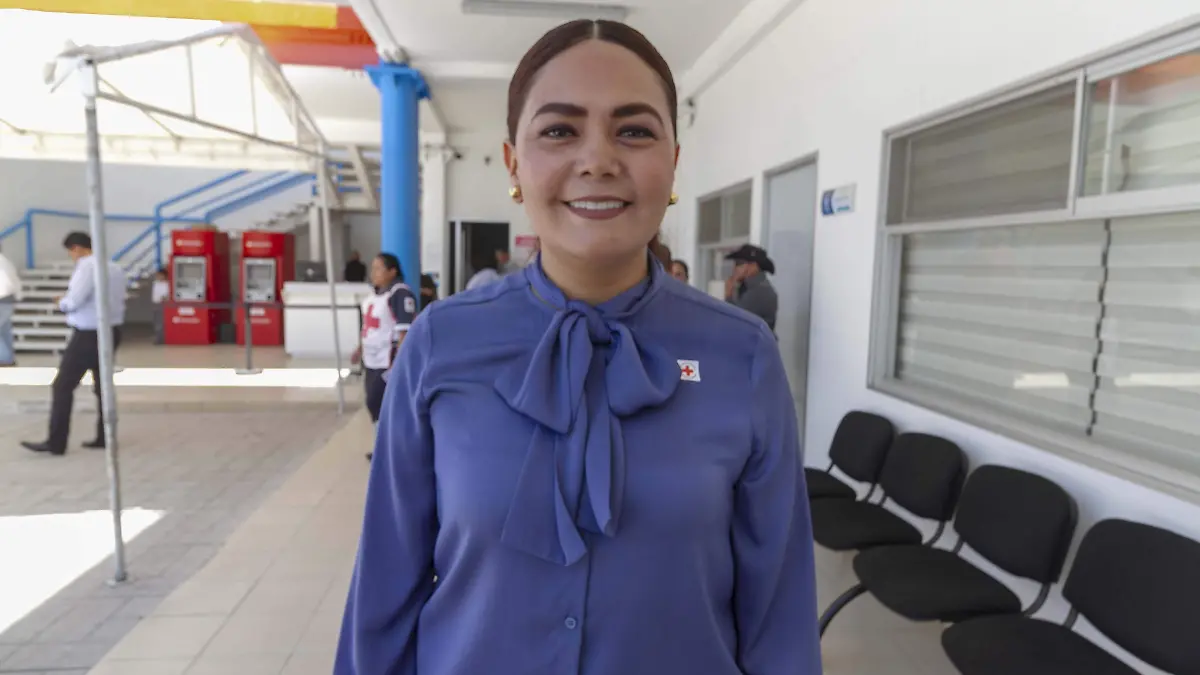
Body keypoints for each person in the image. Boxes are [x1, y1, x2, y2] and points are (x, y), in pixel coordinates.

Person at [336, 18, 821, 675]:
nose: (597, 159)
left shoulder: (744, 356)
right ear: (513, 162)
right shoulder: (439, 344)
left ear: (673, 160)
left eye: (635, 129)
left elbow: (779, 617)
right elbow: (384, 594)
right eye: (560, 130)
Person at [22, 232, 126, 455]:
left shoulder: (86, 267)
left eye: (70, 252)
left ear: (77, 248)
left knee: (62, 387)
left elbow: (75, 300)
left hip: (88, 334)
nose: (71, 256)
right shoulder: (114, 267)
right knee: (103, 387)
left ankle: (56, 442)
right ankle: (105, 435)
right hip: (112, 330)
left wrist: (62, 302)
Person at [352, 253, 417, 460]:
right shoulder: (374, 296)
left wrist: (399, 362)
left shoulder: (400, 294)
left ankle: (390, 448)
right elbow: (369, 328)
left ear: (392, 271)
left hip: (388, 361)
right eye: (373, 268)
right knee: (373, 404)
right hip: (370, 360)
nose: (374, 273)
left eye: (379, 268)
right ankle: (382, 446)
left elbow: (404, 331)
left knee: (380, 402)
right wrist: (359, 349)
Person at [724, 243, 778, 331]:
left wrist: (728, 294)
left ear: (753, 266)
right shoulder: (748, 288)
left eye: (739, 263)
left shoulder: (760, 291)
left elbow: (733, 321)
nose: (734, 268)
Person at [0, 249, 20, 367]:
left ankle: (4, 358)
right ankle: (8, 358)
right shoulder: (5, 261)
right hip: (8, 299)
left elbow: (5, 284)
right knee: (4, 330)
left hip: (2, 299)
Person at [151, 268, 169, 345]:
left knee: (163, 323)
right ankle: (159, 338)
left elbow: (167, 295)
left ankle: (163, 339)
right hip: (157, 304)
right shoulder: (155, 283)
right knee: (158, 323)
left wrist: (165, 298)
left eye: (160, 275)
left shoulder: (168, 284)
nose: (158, 277)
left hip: (164, 305)